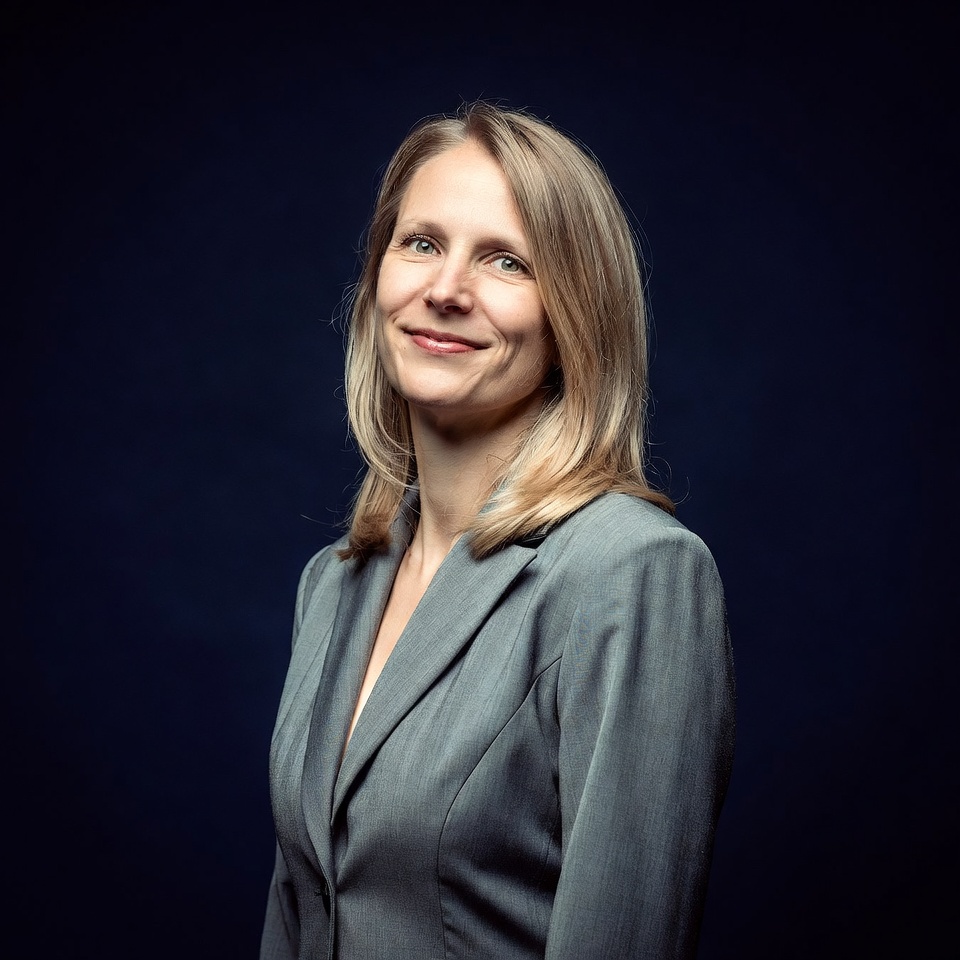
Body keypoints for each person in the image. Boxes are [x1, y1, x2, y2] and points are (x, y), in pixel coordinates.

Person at [260, 102, 735, 960]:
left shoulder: (633, 573)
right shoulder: (333, 584)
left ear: (573, 322)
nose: (445, 289)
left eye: (506, 260)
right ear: (377, 280)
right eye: (422, 243)